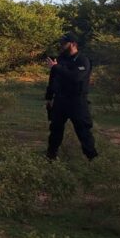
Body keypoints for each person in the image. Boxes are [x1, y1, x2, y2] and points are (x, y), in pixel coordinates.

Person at [44, 32, 98, 160]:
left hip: (77, 101)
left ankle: (93, 159)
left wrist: (56, 67)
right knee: (55, 129)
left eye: (64, 43)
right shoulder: (61, 59)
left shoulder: (82, 60)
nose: (61, 46)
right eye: (61, 43)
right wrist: (49, 97)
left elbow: (76, 77)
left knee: (83, 131)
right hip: (60, 100)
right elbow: (53, 79)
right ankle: (51, 156)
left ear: (73, 44)